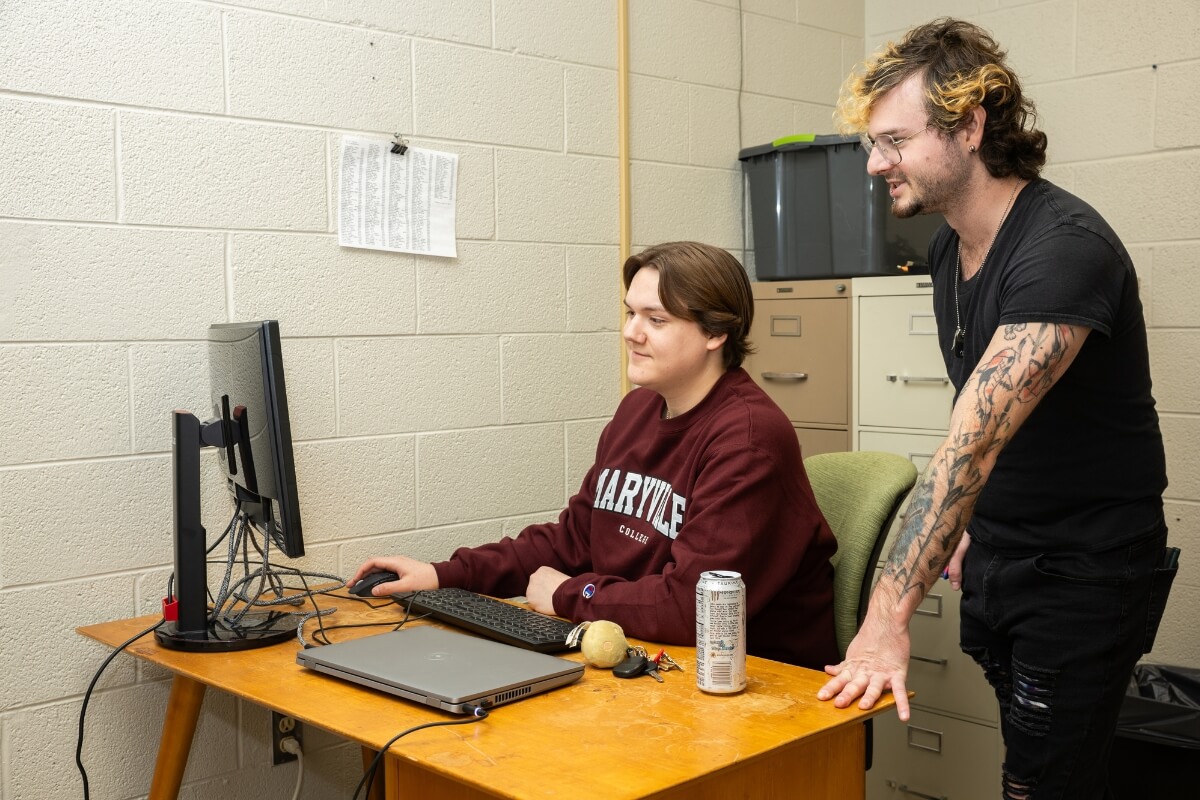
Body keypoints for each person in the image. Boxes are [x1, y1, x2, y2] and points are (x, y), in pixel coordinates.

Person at [815, 18, 1174, 799]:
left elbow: (969, 447)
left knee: (1041, 786)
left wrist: (885, 617)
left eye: (895, 141)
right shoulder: (948, 247)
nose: (876, 164)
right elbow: (990, 416)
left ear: (970, 125)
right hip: (1001, 553)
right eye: (872, 144)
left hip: (1084, 571)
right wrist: (974, 522)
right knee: (1041, 766)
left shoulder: (1063, 249)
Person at [349, 241, 840, 670]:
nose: (631, 332)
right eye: (631, 313)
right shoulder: (639, 409)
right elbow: (573, 539)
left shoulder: (748, 439)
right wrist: (442, 574)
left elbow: (693, 606)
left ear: (716, 335)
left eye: (657, 319)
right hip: (650, 657)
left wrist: (569, 595)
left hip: (753, 690)